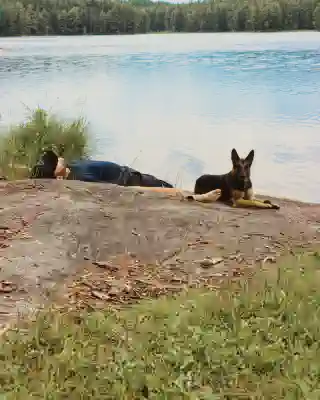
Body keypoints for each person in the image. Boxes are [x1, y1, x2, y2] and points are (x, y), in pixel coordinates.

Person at [30, 149, 173, 188]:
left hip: (130, 177)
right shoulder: (74, 172)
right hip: (128, 177)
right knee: (166, 187)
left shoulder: (75, 174)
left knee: (167, 187)